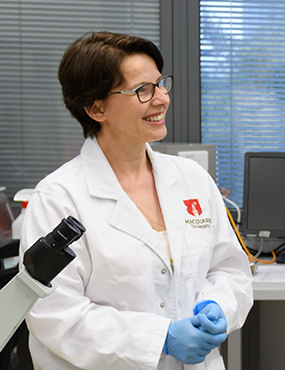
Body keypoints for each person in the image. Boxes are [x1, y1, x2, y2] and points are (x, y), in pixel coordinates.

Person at [19, 31, 253, 370]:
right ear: (96, 108)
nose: (161, 99)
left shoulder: (191, 179)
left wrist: (220, 304)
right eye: (143, 90)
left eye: (160, 84)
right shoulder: (59, 198)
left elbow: (229, 269)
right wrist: (161, 337)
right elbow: (55, 313)